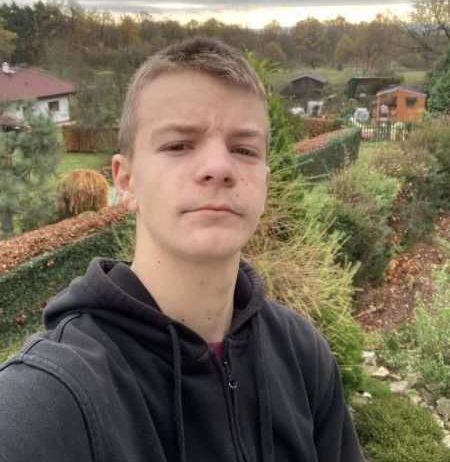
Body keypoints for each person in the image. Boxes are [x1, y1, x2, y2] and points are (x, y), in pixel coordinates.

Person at [0, 38, 364, 461]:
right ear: (126, 180)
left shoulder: (302, 354)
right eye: (178, 145)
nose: (219, 168)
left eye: (244, 149)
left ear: (264, 184)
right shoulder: (48, 399)